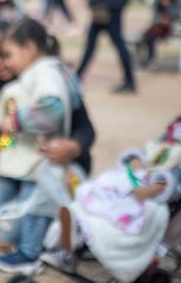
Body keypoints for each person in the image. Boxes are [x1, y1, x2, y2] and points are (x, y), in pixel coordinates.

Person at [0, 17, 95, 274]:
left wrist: (75, 146)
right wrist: (7, 146)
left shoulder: (47, 75)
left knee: (8, 235)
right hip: (11, 171)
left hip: (48, 168)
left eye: (0, 52)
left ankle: (60, 230)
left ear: (21, 46)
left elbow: (85, 127)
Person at [42, 115, 181, 281]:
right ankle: (76, 235)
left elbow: (175, 183)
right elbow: (152, 150)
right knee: (102, 189)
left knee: (125, 209)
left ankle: (79, 240)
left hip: (159, 192)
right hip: (143, 176)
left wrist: (157, 187)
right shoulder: (174, 129)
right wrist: (137, 159)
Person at [136, 0, 180, 68]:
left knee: (149, 34)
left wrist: (169, 14)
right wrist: (160, 19)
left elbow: (177, 14)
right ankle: (148, 57)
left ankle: (150, 58)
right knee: (150, 35)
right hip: (158, 25)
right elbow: (154, 14)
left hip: (171, 26)